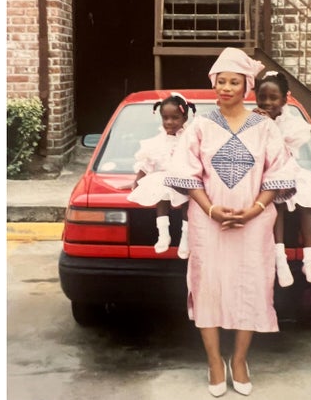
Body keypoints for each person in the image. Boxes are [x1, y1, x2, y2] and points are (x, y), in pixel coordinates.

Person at [164, 48, 296, 397]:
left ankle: (238, 360)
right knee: (208, 286)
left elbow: (278, 174)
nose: (225, 87)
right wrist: (211, 210)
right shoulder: (200, 127)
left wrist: (254, 210)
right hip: (209, 223)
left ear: (246, 86)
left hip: (254, 223)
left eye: (233, 82)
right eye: (220, 81)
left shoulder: (265, 128)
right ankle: (213, 361)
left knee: (251, 286)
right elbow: (186, 174)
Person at [253, 71, 311, 287]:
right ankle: (280, 259)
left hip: (288, 169)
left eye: (273, 98)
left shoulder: (293, 124)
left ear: (284, 100)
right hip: (264, 173)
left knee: (306, 202)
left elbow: (284, 151)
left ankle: (309, 260)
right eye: (262, 97)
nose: (267, 102)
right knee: (278, 205)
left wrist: (270, 125)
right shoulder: (253, 120)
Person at [127, 93, 196, 259]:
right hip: (164, 179)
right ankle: (163, 234)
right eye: (165, 118)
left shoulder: (190, 138)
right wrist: (137, 181)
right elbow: (148, 162)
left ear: (184, 118)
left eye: (175, 118)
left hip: (185, 179)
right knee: (161, 195)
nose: (169, 122)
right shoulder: (158, 141)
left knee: (189, 203)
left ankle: (185, 239)